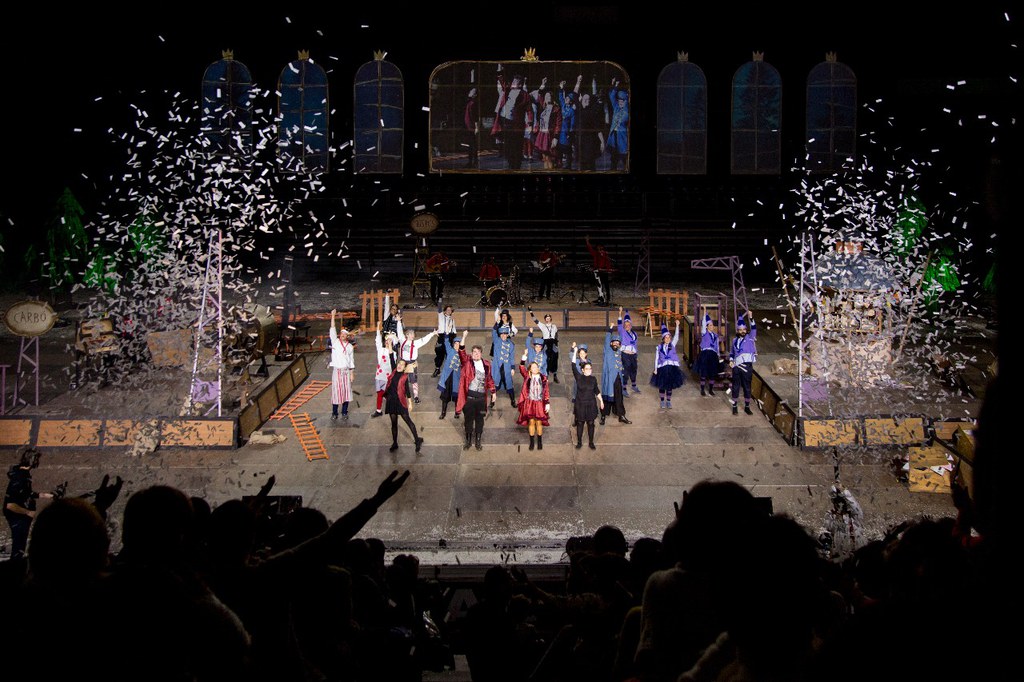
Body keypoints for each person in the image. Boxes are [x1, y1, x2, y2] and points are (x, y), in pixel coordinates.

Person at [3, 446, 52, 561]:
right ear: (33, 461)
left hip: (19, 515)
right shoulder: (21, 477)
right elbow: (10, 505)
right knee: (19, 546)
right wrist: (27, 512)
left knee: (19, 545)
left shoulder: (21, 473)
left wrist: (45, 495)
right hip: (18, 515)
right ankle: (15, 568)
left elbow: (26, 493)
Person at [456, 331, 497, 451]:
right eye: (474, 352)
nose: (476, 354)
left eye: (478, 352)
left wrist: (493, 392)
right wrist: (464, 337)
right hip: (469, 399)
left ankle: (478, 441)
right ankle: (468, 441)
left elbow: (489, 379)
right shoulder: (467, 362)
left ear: (481, 354)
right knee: (468, 420)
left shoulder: (487, 364)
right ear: (471, 353)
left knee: (480, 420)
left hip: (481, 399)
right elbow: (461, 351)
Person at [492, 66, 529, 170]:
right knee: (508, 147)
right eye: (512, 81)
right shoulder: (508, 90)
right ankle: (511, 165)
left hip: (517, 125)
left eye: (515, 82)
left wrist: (530, 123)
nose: (512, 83)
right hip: (506, 123)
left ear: (520, 84)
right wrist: (500, 71)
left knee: (517, 147)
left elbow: (529, 109)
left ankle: (516, 166)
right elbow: (502, 80)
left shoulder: (524, 95)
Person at [383, 360, 424, 453]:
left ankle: (417, 440)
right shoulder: (394, 371)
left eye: (402, 365)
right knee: (394, 423)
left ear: (405, 368)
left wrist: (410, 403)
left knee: (408, 421)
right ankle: (395, 443)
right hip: (391, 401)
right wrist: (390, 350)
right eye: (399, 363)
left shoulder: (404, 377)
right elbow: (391, 358)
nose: (400, 365)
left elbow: (407, 390)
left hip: (400, 402)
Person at [570, 343, 604, 449]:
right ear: (583, 370)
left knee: (591, 423)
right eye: (587, 369)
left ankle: (591, 442)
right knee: (580, 423)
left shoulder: (593, 379)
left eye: (590, 369)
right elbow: (573, 365)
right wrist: (575, 351)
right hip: (580, 404)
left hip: (591, 404)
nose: (589, 370)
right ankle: (579, 442)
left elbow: (596, 391)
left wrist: (601, 401)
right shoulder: (579, 377)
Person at [517, 354, 551, 451]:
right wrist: (523, 358)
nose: (535, 368)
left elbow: (546, 391)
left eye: (536, 367)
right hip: (530, 403)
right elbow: (521, 368)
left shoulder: (543, 378)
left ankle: (539, 441)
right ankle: (532, 442)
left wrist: (547, 402)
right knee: (531, 422)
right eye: (533, 367)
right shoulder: (527, 376)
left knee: (539, 422)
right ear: (530, 370)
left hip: (539, 403)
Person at [397, 326, 437, 405]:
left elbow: (424, 340)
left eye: (413, 334)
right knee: (401, 379)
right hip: (403, 363)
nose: (413, 335)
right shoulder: (402, 340)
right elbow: (399, 331)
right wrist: (398, 322)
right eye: (411, 334)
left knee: (413, 380)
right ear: (407, 335)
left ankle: (416, 396)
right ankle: (401, 393)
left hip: (411, 363)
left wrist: (432, 334)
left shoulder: (415, 343)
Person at [600, 326, 631, 425]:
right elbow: (607, 340)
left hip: (618, 378)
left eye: (618, 343)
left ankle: (621, 415)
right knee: (607, 398)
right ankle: (603, 416)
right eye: (614, 342)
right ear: (611, 343)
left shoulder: (619, 352)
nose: (616, 344)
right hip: (609, 379)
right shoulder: (607, 351)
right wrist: (610, 329)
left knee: (619, 397)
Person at [651, 321, 686, 409]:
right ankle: (662, 401)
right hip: (662, 368)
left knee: (669, 385)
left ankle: (669, 401)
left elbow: (676, 337)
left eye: (669, 337)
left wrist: (677, 326)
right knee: (662, 385)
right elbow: (656, 358)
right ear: (663, 339)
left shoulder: (672, 345)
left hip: (671, 368)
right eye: (666, 337)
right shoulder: (659, 347)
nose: (667, 339)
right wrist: (655, 369)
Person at [328, 309, 355, 421]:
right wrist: (333, 316)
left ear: (347, 336)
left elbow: (351, 360)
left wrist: (352, 373)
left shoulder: (350, 347)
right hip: (337, 371)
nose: (342, 335)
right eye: (342, 333)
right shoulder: (335, 342)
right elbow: (332, 328)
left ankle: (344, 412)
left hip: (346, 371)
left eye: (344, 334)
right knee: (336, 392)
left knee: (346, 392)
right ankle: (334, 412)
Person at [729, 310, 757, 415]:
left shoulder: (750, 338)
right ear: (737, 330)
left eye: (744, 329)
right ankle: (734, 406)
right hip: (736, 366)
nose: (742, 331)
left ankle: (747, 407)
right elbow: (732, 353)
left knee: (747, 386)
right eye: (740, 330)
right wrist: (731, 360)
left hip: (747, 366)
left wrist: (751, 317)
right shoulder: (734, 340)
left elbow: (753, 328)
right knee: (735, 386)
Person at [372, 321, 399, 419]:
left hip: (388, 377)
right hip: (380, 376)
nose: (388, 342)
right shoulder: (381, 350)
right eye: (387, 340)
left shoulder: (394, 354)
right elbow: (378, 341)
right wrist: (378, 328)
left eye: (390, 341)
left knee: (388, 394)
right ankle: (378, 410)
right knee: (380, 393)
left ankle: (392, 407)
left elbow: (393, 365)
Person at [576, 89, 606, 171]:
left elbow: (597, 128)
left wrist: (602, 142)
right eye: (585, 99)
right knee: (581, 166)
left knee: (590, 165)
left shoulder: (592, 112)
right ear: (581, 100)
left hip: (589, 143)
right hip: (579, 143)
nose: (587, 100)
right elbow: (574, 95)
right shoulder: (578, 110)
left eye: (589, 99)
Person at [437, 332, 463, 421]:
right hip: (448, 378)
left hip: (456, 378)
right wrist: (447, 334)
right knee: (445, 397)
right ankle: (443, 412)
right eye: (455, 344)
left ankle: (457, 412)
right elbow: (446, 342)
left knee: (456, 396)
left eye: (458, 344)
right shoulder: (450, 350)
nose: (456, 345)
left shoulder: (462, 354)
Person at [694, 313, 722, 396]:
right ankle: (702, 389)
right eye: (710, 325)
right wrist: (704, 314)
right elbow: (703, 324)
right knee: (704, 372)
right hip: (705, 354)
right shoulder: (704, 333)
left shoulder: (716, 336)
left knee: (712, 373)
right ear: (706, 327)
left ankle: (710, 389)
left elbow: (717, 346)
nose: (712, 326)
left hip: (713, 354)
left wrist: (718, 355)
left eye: (712, 325)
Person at [491, 318, 517, 407]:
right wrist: (497, 322)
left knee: (509, 383)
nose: (503, 336)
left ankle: (513, 400)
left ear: (507, 335)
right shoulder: (496, 340)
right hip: (497, 366)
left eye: (505, 334)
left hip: (506, 366)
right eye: (502, 334)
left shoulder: (511, 344)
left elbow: (512, 357)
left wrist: (512, 368)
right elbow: (493, 331)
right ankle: (492, 402)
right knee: (495, 383)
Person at [530, 307, 560, 382]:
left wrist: (556, 342)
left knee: (555, 358)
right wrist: (531, 311)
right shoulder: (542, 325)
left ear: (551, 319)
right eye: (546, 318)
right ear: (545, 319)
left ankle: (555, 374)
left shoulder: (554, 326)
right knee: (545, 358)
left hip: (553, 342)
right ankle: (545, 374)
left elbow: (556, 333)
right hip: (546, 343)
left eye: (549, 318)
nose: (548, 319)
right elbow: (535, 320)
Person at [607, 79, 629, 170]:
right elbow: (612, 96)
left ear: (625, 101)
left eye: (622, 100)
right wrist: (615, 86)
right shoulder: (616, 108)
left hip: (623, 138)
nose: (620, 102)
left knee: (624, 159)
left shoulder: (627, 111)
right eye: (619, 100)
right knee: (613, 159)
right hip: (614, 136)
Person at [618, 307, 641, 394]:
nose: (627, 326)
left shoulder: (635, 334)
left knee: (634, 369)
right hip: (625, 354)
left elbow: (635, 345)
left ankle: (634, 385)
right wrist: (620, 313)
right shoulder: (622, 332)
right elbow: (619, 324)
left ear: (631, 325)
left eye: (628, 324)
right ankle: (624, 387)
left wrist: (636, 354)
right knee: (626, 370)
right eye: (626, 324)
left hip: (633, 355)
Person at [432, 300, 458, 378]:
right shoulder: (441, 316)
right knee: (439, 353)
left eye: (450, 310)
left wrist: (455, 340)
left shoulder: (452, 320)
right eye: (448, 310)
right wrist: (440, 299)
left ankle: (449, 371)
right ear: (445, 311)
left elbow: (454, 330)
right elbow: (439, 308)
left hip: (449, 337)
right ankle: (437, 369)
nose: (449, 311)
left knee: (449, 354)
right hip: (441, 337)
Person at [586, 235, 614, 306]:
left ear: (602, 247)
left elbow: (608, 262)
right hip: (597, 271)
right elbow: (590, 250)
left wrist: (608, 270)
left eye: (600, 246)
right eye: (598, 246)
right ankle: (600, 298)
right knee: (599, 285)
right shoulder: (596, 253)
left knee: (606, 285)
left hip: (604, 271)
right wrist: (587, 242)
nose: (599, 248)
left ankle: (607, 298)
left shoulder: (605, 254)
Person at [464, 87, 479, 168]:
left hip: (471, 127)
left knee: (472, 145)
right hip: (468, 126)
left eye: (472, 91)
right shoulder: (469, 102)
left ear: (475, 95)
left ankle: (473, 162)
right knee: (470, 145)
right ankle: (471, 161)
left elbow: (476, 117)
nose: (470, 92)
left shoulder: (473, 103)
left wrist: (476, 127)